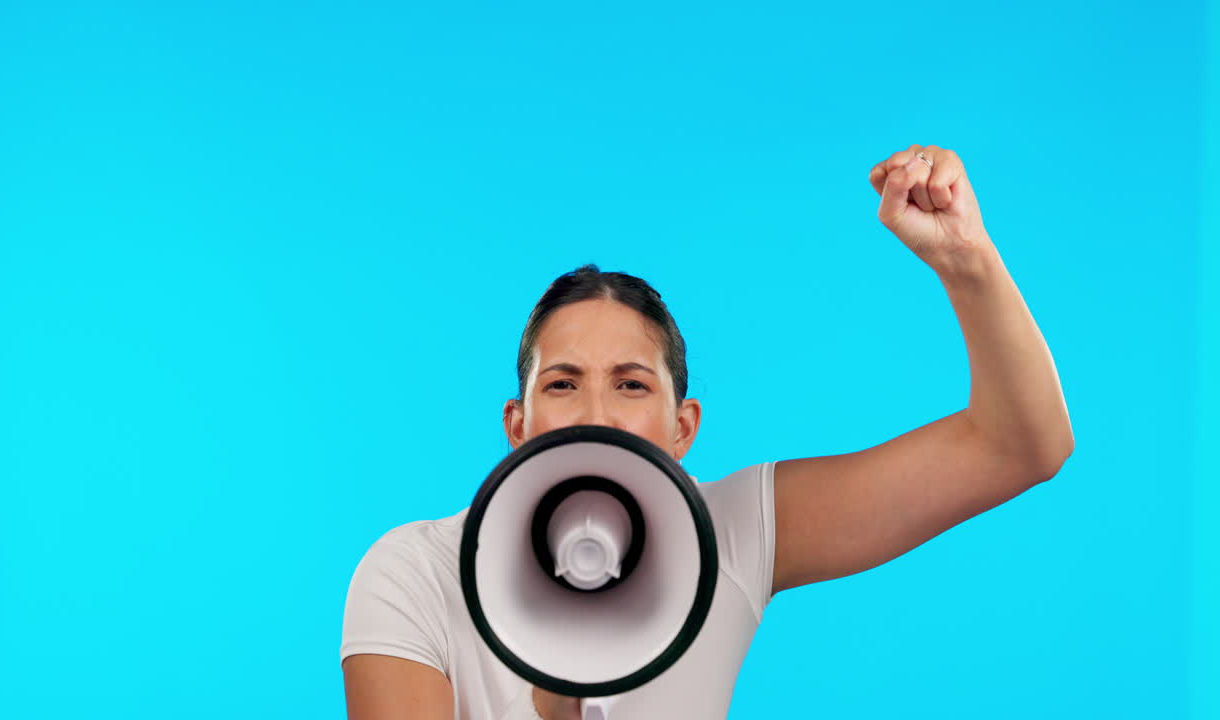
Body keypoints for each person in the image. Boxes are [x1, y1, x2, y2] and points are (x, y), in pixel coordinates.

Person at [340, 144, 1076, 720]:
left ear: (682, 426)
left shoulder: (733, 535)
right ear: (516, 422)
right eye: (562, 384)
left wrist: (966, 258)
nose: (596, 414)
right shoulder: (413, 573)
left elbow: (1022, 445)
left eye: (631, 384)